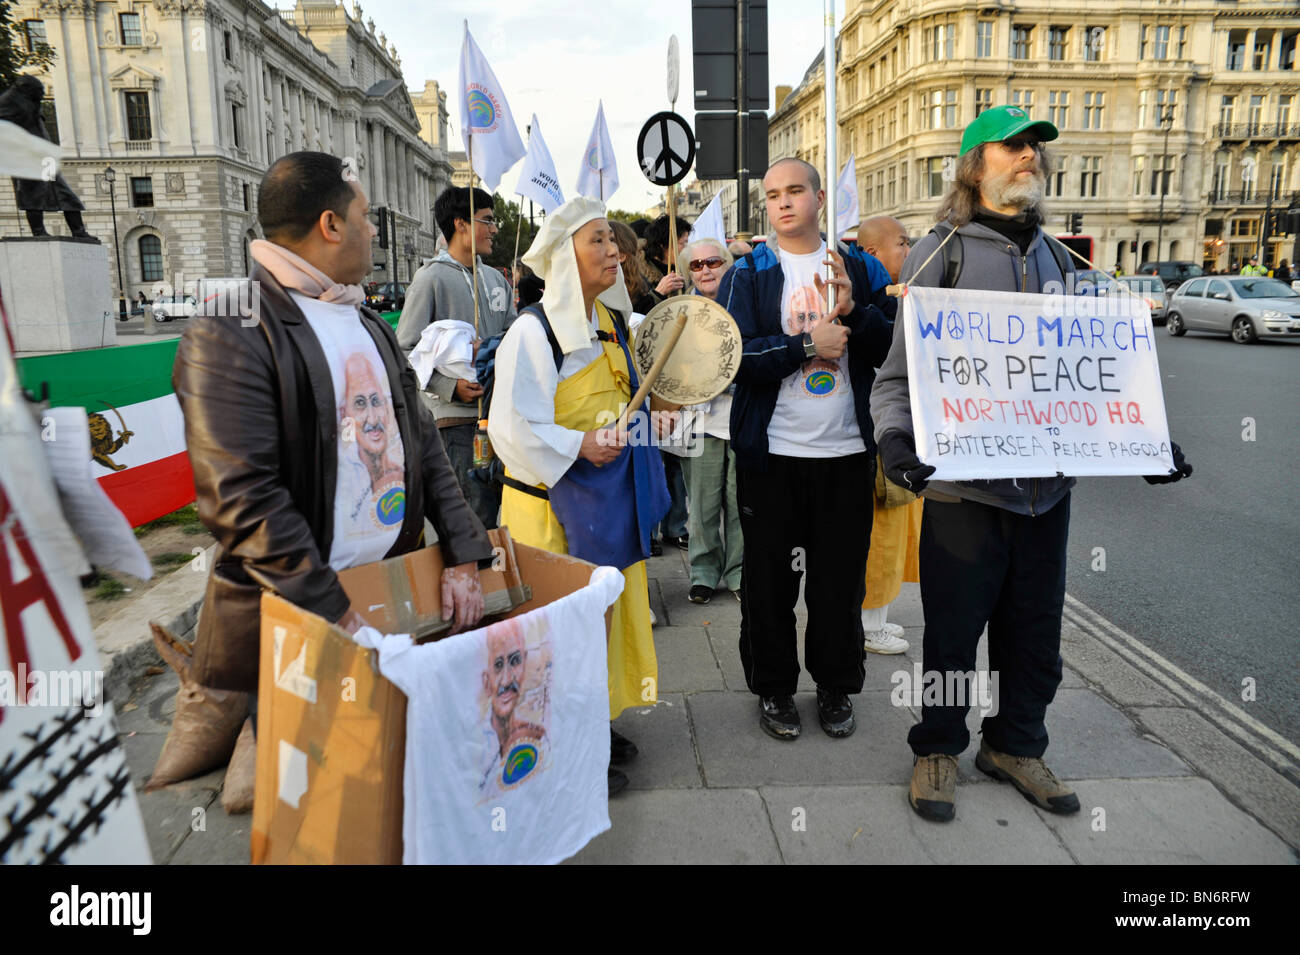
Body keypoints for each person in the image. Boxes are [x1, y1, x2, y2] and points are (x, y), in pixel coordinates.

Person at [870, 106, 1193, 823]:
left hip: (1046, 493)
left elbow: (1100, 371)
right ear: (973, 164)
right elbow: (894, 379)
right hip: (963, 495)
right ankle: (938, 749)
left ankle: (1015, 744)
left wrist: (1146, 439)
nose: (1029, 157)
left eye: (1035, 148)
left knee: (1035, 633)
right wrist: (895, 443)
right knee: (953, 637)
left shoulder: (1058, 258)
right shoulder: (939, 253)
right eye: (1013, 146)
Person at [173, 151, 493, 706]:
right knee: (311, 781)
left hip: (394, 590)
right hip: (302, 622)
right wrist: (336, 614)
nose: (373, 230)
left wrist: (464, 552)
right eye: (366, 216)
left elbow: (422, 447)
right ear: (331, 225)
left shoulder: (367, 320)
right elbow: (243, 499)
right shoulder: (232, 330)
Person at [487, 196, 675, 796]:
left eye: (612, 241)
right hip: (549, 515)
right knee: (556, 633)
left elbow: (629, 410)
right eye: (597, 240)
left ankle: (594, 722)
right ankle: (560, 750)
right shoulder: (532, 332)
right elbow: (513, 429)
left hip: (609, 512)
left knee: (605, 623)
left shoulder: (618, 325)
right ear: (566, 258)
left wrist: (656, 423)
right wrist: (578, 445)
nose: (613, 250)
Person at [717, 156, 896, 742]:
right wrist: (803, 345)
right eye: (773, 195)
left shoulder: (860, 266)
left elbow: (893, 347)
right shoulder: (749, 273)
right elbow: (733, 361)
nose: (784, 202)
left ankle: (836, 685)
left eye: (796, 191)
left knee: (838, 582)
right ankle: (773, 688)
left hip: (845, 454)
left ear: (820, 198)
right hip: (771, 455)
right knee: (769, 584)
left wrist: (854, 313)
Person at [397, 187, 516, 531]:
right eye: (488, 220)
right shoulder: (430, 279)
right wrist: (450, 386)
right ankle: (480, 582)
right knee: (474, 516)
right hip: (455, 423)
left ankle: (503, 581)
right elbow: (404, 353)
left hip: (501, 418)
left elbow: (514, 335)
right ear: (461, 224)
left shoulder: (496, 279)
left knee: (504, 511)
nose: (495, 229)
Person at [854, 215, 918, 655]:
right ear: (873, 254)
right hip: (880, 435)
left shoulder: (899, 296)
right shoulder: (870, 304)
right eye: (903, 243)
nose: (910, 250)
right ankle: (867, 623)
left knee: (896, 529)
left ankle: (877, 617)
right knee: (881, 531)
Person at [675, 237, 742, 605]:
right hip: (699, 423)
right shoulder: (681, 312)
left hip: (742, 419)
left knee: (738, 502)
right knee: (700, 506)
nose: (705, 270)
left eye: (712, 262)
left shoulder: (743, 303)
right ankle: (702, 572)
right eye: (696, 265)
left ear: (727, 264)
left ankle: (738, 572)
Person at [0, 76, 92, 239]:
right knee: (32, 197)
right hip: (26, 158)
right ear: (27, 89)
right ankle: (39, 232)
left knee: (64, 194)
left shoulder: (30, 102)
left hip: (44, 157)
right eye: (39, 92)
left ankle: (78, 231)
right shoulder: (9, 101)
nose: (42, 95)